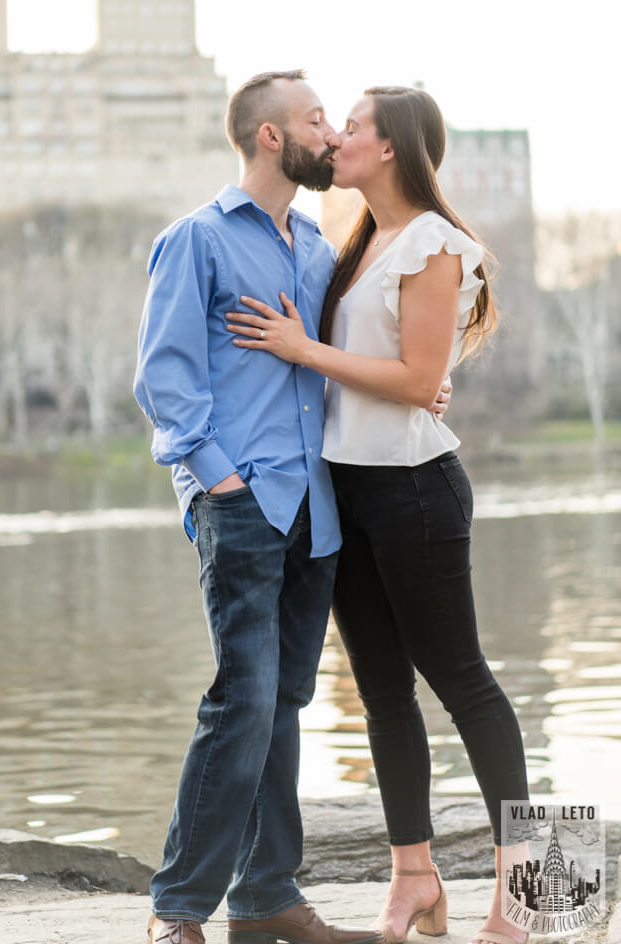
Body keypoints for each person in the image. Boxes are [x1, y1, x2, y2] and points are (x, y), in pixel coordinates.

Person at [227, 86, 529, 944]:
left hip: (414, 492)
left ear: (389, 146)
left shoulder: (435, 242)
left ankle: (537, 893)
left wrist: (304, 347)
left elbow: (410, 377)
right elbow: (394, 373)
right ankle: (413, 877)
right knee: (382, 696)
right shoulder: (354, 245)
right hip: (344, 493)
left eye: (349, 126)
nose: (336, 139)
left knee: (464, 680)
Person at [134, 70, 428, 944]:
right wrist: (218, 478)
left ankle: (265, 899)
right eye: (314, 120)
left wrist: (425, 383)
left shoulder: (312, 244)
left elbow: (348, 354)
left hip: (319, 510)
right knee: (243, 697)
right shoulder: (196, 239)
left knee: (284, 700)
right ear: (272, 138)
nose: (331, 134)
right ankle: (176, 907)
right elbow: (163, 377)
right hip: (246, 503)